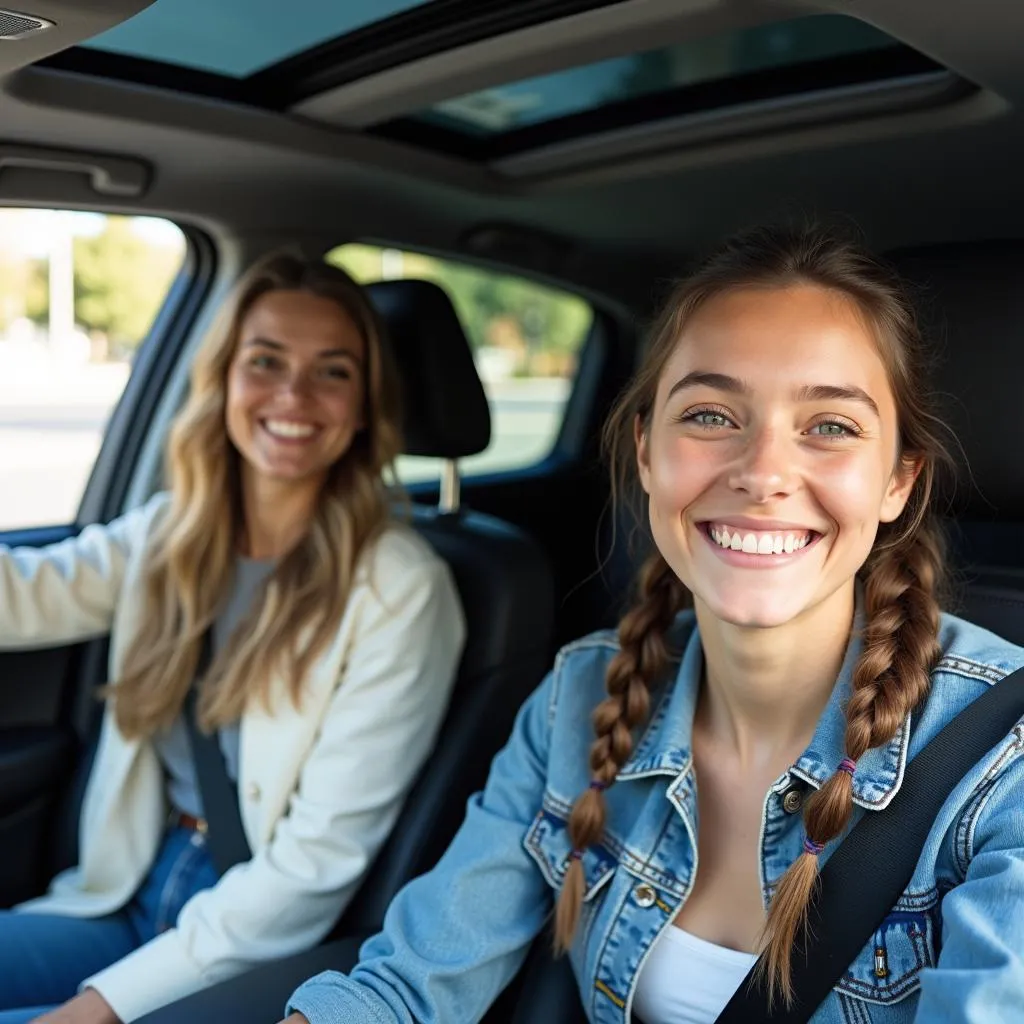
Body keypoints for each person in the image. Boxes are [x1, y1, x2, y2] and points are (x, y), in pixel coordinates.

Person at [276, 224, 1024, 1024]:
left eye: (830, 426)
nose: (763, 471)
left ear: (898, 483)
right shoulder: (579, 699)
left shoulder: (1001, 767)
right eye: (709, 414)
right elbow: (405, 988)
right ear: (644, 452)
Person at [0, 254, 465, 1024]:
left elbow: (312, 867)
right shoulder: (169, 535)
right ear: (223, 381)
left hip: (255, 927)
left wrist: (94, 1011)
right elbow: (27, 595)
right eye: (266, 362)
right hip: (128, 891)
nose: (293, 395)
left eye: (333, 372)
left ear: (364, 405)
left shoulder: (399, 587)